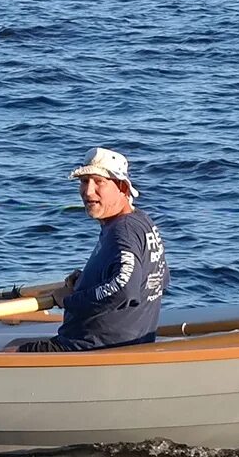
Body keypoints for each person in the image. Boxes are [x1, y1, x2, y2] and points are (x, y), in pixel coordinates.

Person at [15, 147, 169, 352]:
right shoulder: (142, 222)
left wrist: (69, 300)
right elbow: (160, 277)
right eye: (84, 181)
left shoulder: (123, 231)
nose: (88, 192)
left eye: (99, 182)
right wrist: (89, 279)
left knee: (11, 350)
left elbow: (124, 288)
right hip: (123, 342)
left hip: (92, 348)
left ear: (122, 187)